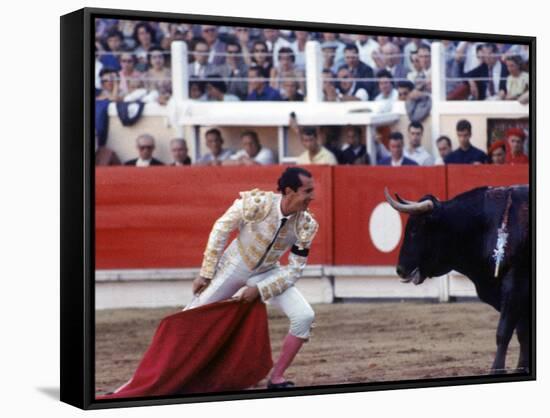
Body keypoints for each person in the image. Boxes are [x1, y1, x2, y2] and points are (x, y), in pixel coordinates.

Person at [187, 167, 318, 389]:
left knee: (304, 316)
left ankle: (276, 378)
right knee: (190, 318)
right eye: (307, 191)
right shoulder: (258, 203)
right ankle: (147, 379)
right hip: (235, 265)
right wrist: (206, 272)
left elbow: (295, 270)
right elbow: (221, 228)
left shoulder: (306, 224)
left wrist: (261, 290)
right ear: (289, 191)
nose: (312, 197)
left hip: (267, 272)